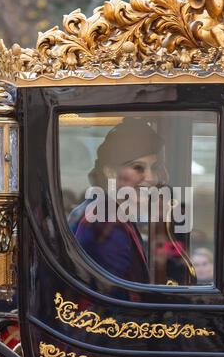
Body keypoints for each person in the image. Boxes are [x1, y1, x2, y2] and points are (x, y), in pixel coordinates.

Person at [68, 117, 167, 285]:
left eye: (154, 167)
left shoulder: (107, 211)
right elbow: (119, 297)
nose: (151, 178)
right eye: (138, 167)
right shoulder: (104, 221)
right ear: (110, 172)